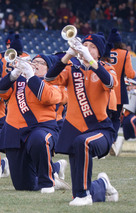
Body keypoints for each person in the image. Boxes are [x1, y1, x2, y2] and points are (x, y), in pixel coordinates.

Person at [45, 33, 119, 206]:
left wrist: (91, 62)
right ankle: (101, 185)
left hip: (101, 130)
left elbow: (109, 83)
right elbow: (49, 78)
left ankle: (85, 195)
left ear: (99, 52)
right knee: (75, 191)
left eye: (92, 46)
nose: (87, 48)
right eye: (85, 44)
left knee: (83, 142)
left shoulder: (107, 68)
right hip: (75, 129)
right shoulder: (72, 69)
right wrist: (69, 54)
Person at [0, 54, 67, 193]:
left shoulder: (55, 84)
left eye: (41, 63)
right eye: (34, 62)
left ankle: (48, 181)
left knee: (39, 140)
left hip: (42, 128)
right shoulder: (17, 82)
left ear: (49, 69)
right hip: (14, 131)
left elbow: (46, 97)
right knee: (24, 186)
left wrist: (31, 76)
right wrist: (14, 74)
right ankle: (55, 169)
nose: (36, 64)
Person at [106, 28, 136, 156]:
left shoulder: (103, 51)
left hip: (103, 90)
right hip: (119, 90)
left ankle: (103, 140)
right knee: (116, 118)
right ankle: (112, 140)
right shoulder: (125, 53)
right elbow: (130, 74)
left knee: (104, 117)